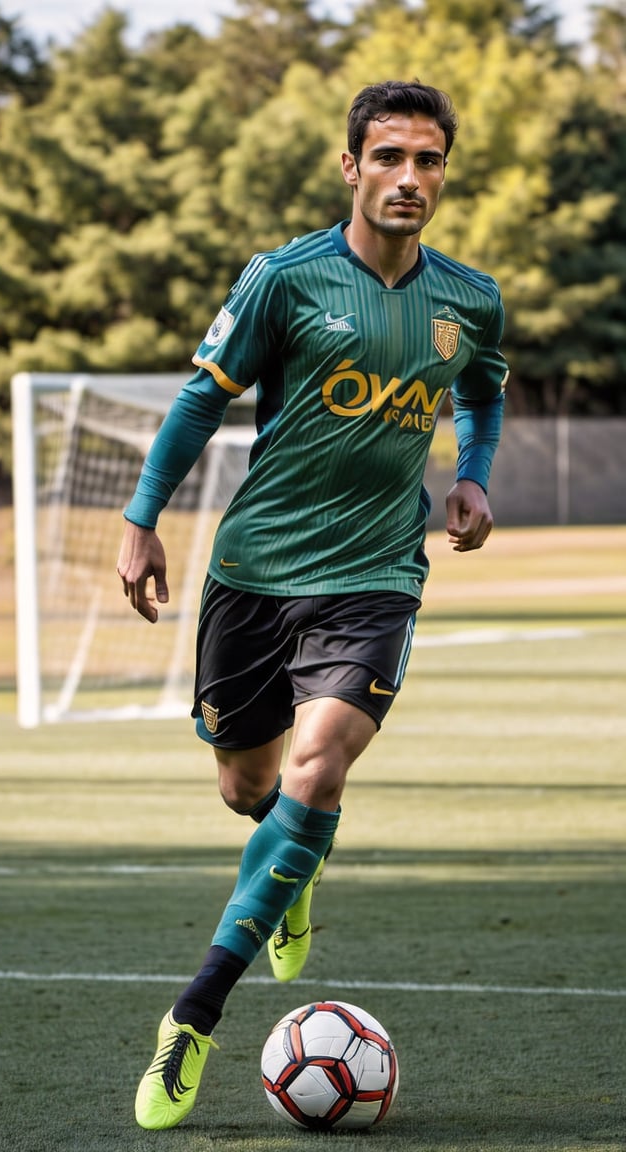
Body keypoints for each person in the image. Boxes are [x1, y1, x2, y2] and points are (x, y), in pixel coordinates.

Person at [117, 78, 509, 1130]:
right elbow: (204, 395)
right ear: (351, 167)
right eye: (388, 157)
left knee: (317, 767)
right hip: (254, 575)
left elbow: (485, 382)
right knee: (249, 793)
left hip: (377, 575)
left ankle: (192, 1018)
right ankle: (291, 871)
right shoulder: (284, 279)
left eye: (427, 160)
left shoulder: (468, 297)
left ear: (441, 174)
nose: (408, 179)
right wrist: (142, 518)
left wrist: (472, 471)